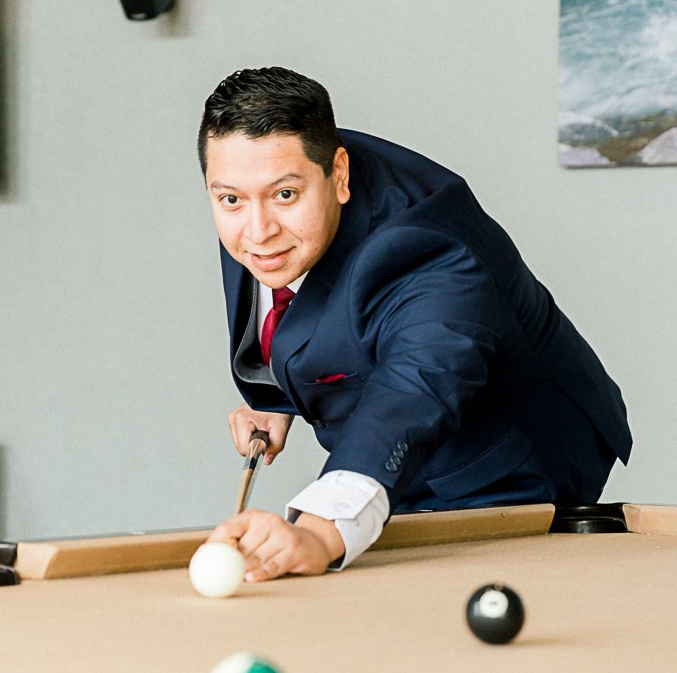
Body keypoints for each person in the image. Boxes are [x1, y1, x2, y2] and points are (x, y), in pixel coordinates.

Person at [199, 67, 631, 581]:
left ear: (339, 174)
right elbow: (299, 309)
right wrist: (278, 398)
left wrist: (316, 532)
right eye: (230, 200)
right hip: (385, 456)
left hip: (507, 461)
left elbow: (416, 384)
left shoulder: (431, 250)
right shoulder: (263, 183)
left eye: (285, 196)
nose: (258, 231)